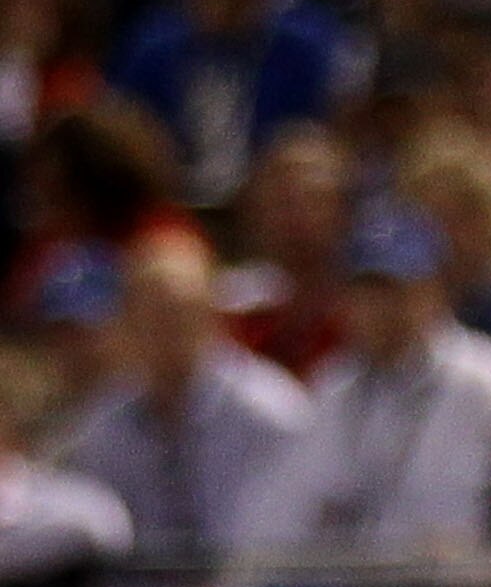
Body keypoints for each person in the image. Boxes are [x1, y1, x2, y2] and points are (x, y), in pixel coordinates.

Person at [225, 204, 491, 560]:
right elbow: (276, 516)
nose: (378, 307)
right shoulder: (335, 386)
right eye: (366, 290)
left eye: (394, 289)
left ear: (433, 289)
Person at [56, 237, 309, 554]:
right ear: (129, 320)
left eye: (181, 311)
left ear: (214, 315)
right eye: (153, 313)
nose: (167, 327)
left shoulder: (271, 413)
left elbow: (290, 537)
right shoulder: (104, 423)